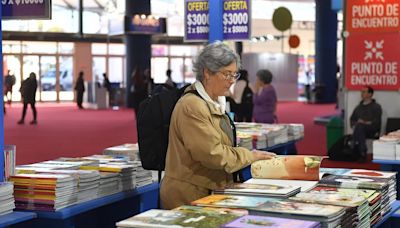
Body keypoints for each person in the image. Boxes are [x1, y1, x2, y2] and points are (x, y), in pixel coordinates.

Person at [160, 42, 275, 209]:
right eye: (226, 74)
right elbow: (212, 154)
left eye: (234, 75)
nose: (231, 81)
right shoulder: (193, 105)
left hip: (207, 190)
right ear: (207, 72)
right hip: (188, 194)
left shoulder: (214, 102)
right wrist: (249, 156)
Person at [350, 86, 382, 162]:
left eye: (364, 92)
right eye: (361, 92)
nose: (361, 94)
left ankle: (357, 150)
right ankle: (361, 152)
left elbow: (377, 122)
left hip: (372, 129)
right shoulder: (358, 107)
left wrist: (365, 122)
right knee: (359, 127)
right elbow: (352, 119)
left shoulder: (376, 107)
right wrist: (356, 123)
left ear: (370, 94)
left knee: (360, 127)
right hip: (359, 128)